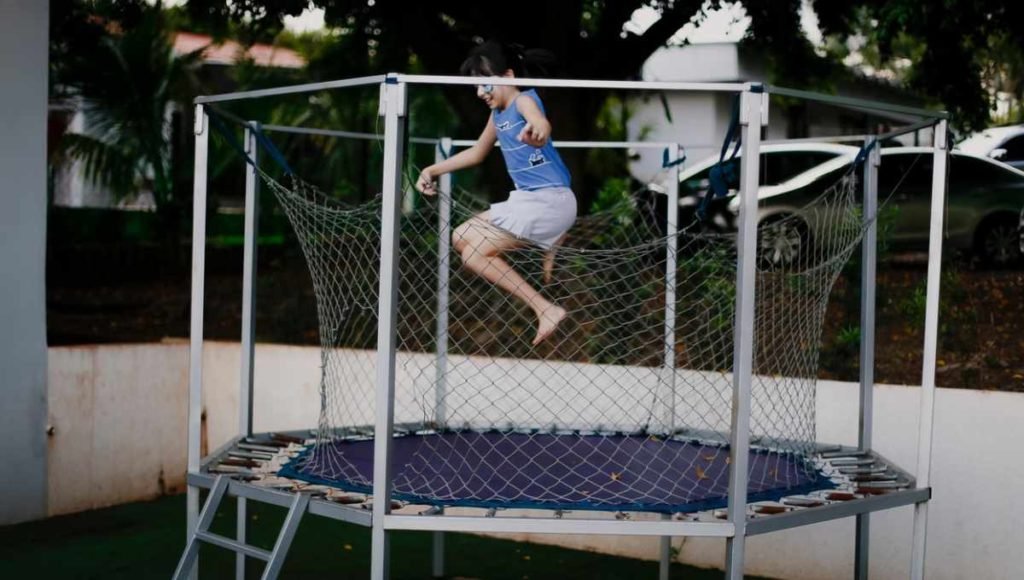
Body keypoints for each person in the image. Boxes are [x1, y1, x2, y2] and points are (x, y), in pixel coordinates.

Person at [415, 41, 577, 346]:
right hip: (530, 200)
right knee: (460, 237)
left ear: (509, 76)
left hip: (551, 202)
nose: (480, 93)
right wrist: (431, 170)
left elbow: (540, 122)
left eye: (485, 83)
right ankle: (552, 240)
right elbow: (477, 152)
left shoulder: (523, 100)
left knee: (475, 255)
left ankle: (546, 309)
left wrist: (538, 131)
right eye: (476, 86)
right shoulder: (498, 116)